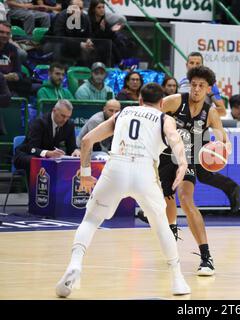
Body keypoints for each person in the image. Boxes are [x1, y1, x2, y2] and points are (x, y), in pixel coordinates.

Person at [55, 83, 191, 298]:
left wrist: (85, 172)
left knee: (90, 220)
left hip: (116, 167)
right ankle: (177, 279)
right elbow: (173, 138)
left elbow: (88, 140)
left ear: (139, 100)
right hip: (144, 171)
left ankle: (75, 263)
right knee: (162, 226)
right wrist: (182, 163)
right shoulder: (165, 118)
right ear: (162, 103)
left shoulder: (123, 113)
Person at [158, 66, 232, 276]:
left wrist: (223, 149)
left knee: (186, 198)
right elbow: (150, 117)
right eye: (194, 85)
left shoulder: (210, 112)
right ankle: (172, 230)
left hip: (188, 159)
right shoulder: (174, 101)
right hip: (164, 157)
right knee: (167, 198)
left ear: (209, 89)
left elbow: (223, 139)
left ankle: (206, 257)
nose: (197, 89)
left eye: (201, 86)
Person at [177, 52, 240, 214]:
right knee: (198, 174)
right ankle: (231, 187)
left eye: (198, 63)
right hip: (181, 132)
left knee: (197, 173)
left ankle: (232, 187)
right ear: (187, 65)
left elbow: (221, 109)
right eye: (191, 62)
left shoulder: (209, 86)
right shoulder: (180, 83)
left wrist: (205, 116)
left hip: (199, 131)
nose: (194, 65)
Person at [13, 100, 80, 179]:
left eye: (68, 117)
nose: (65, 120)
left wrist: (76, 151)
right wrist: (47, 153)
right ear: (54, 110)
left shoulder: (69, 125)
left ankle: (63, 190)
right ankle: (35, 190)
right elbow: (31, 148)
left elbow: (72, 147)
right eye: (63, 116)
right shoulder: (39, 122)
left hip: (50, 158)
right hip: (27, 154)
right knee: (36, 161)